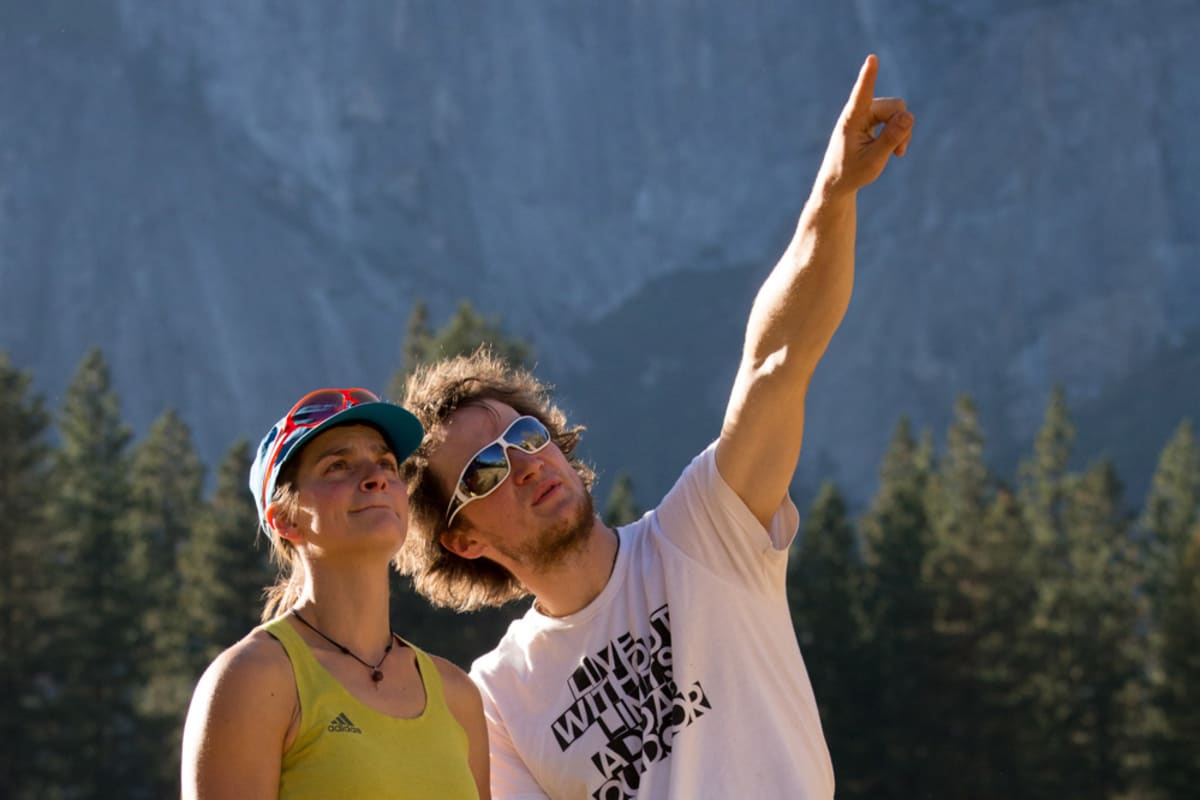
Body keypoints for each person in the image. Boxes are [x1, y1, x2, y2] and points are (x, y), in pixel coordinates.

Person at [397, 54, 913, 799]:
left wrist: (831, 197)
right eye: (486, 471)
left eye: (526, 438)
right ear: (463, 539)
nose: (525, 464)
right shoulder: (498, 702)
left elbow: (775, 363)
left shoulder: (701, 535)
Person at [180, 388, 490, 800]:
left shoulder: (457, 695)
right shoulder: (253, 680)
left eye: (385, 463)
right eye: (338, 466)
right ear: (285, 519)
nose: (376, 477)